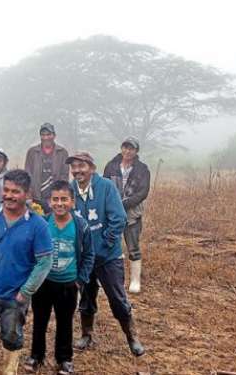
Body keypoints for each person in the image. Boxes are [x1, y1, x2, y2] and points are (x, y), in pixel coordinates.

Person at [0, 169, 53, 375]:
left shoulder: (38, 225)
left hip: (14, 296)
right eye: (6, 190)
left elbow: (44, 262)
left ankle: (9, 371)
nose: (9, 195)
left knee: (12, 338)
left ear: (27, 193)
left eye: (15, 191)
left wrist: (26, 291)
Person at [67, 152, 145, 357]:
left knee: (117, 298)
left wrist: (103, 246)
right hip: (83, 258)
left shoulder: (106, 187)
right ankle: (87, 334)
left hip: (107, 257)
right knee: (85, 296)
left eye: (81, 166)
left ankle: (132, 336)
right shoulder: (70, 190)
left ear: (92, 168)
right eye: (74, 167)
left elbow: (118, 219)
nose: (77, 170)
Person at [24, 180, 94, 375]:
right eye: (55, 199)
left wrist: (80, 280)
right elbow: (32, 250)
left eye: (64, 199)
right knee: (40, 319)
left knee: (65, 322)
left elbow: (89, 255)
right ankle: (36, 356)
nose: (59, 203)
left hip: (69, 284)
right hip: (44, 282)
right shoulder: (43, 223)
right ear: (49, 201)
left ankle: (64, 359)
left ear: (72, 202)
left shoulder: (81, 226)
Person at [103, 137, 151, 294]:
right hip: (112, 213)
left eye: (131, 148)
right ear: (121, 148)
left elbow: (143, 192)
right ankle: (109, 279)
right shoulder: (111, 165)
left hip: (132, 214)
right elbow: (104, 186)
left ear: (136, 151)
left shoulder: (142, 169)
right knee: (110, 245)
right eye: (125, 147)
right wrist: (112, 205)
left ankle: (135, 280)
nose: (127, 151)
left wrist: (124, 204)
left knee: (133, 246)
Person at [25, 123, 70, 213]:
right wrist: (29, 197)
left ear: (54, 135)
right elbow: (27, 175)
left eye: (48, 134)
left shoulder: (62, 152)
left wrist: (58, 197)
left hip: (55, 199)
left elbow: (64, 177)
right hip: (36, 198)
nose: (46, 137)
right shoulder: (32, 152)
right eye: (43, 135)